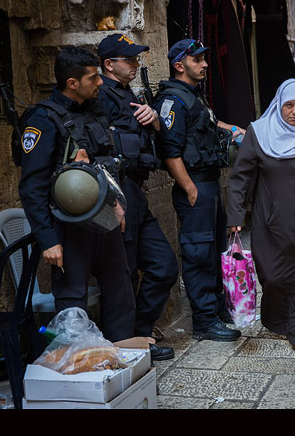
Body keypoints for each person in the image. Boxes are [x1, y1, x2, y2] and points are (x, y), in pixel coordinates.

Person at [18, 46, 136, 343]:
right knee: (72, 301)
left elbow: (108, 168)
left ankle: (121, 362)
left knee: (120, 291)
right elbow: (32, 188)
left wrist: (116, 208)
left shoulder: (94, 110)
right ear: (72, 83)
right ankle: (75, 370)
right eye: (94, 78)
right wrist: (49, 241)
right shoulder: (43, 120)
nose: (100, 83)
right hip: (68, 229)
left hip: (104, 220)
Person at [226, 79, 295, 357]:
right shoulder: (259, 132)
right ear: (278, 105)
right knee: (277, 278)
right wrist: (236, 215)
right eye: (288, 105)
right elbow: (241, 177)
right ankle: (285, 321)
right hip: (274, 224)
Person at [151, 39, 245, 342]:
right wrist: (189, 188)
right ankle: (204, 322)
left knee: (214, 250)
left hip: (209, 182)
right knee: (198, 253)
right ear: (180, 65)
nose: (205, 64)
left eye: (205, 59)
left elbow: (208, 123)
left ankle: (217, 309)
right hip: (196, 186)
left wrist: (232, 129)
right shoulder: (172, 101)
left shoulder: (193, 97)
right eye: (198, 60)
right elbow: (170, 150)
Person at [96, 33, 179, 361]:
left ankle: (140, 332)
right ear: (109, 64)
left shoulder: (128, 93)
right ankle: (122, 346)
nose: (135, 64)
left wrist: (156, 120)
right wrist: (111, 201)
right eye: (128, 60)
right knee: (123, 274)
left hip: (136, 192)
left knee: (163, 265)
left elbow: (149, 140)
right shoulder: (100, 95)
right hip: (115, 192)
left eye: (135, 58)